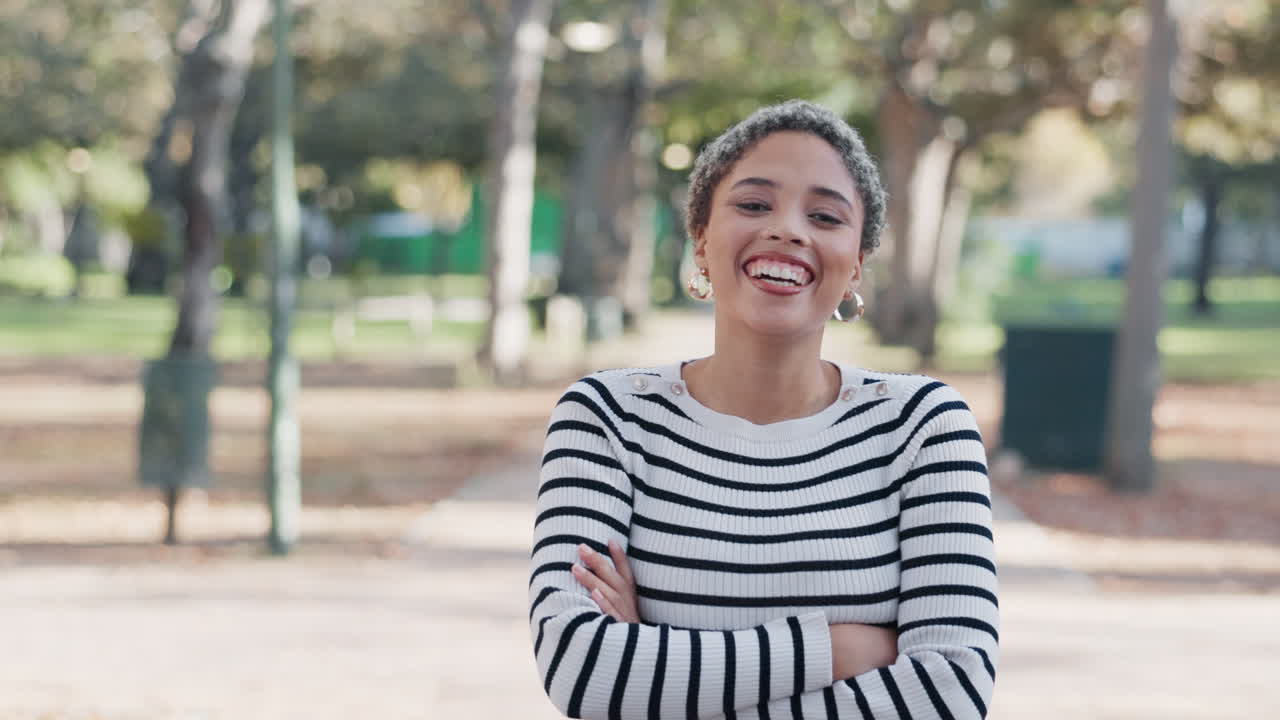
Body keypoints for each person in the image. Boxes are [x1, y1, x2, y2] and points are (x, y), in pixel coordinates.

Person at [529, 100, 998, 719]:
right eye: (753, 205)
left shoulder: (923, 427)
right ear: (700, 236)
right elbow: (583, 670)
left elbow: (952, 692)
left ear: (856, 263)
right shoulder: (607, 418)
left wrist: (660, 677)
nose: (788, 229)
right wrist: (841, 649)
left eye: (825, 215)